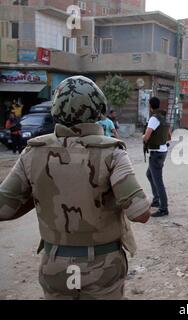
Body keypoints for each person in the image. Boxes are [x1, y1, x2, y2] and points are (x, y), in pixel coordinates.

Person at [0, 75, 151, 300]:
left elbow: (4, 208)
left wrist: (40, 194)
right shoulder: (113, 153)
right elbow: (140, 213)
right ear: (98, 108)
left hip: (55, 265)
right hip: (102, 266)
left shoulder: (32, 153)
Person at [143, 97, 170, 218]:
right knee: (149, 174)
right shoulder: (163, 118)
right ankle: (156, 200)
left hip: (156, 153)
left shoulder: (154, 118)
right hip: (162, 151)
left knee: (158, 181)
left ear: (150, 106)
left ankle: (163, 208)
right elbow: (169, 137)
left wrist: (142, 137)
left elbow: (146, 137)